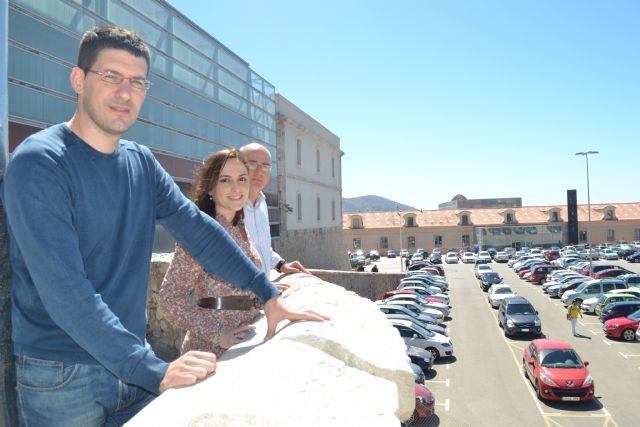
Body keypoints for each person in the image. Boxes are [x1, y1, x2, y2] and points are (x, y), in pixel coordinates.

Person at [1, 25, 327, 426]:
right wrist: (153, 370)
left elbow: (201, 232)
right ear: (78, 80)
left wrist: (268, 294)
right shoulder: (41, 163)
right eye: (111, 76)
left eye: (137, 82)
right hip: (62, 374)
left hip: (131, 361)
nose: (125, 93)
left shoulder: (140, 162)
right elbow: (65, 289)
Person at [159, 149, 262, 356]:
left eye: (242, 179)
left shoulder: (240, 227)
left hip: (244, 339)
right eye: (225, 180)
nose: (236, 187)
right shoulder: (199, 234)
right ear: (210, 188)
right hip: (209, 350)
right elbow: (170, 299)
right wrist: (217, 334)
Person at [240, 143, 309, 275]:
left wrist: (281, 264)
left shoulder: (262, 204)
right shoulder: (229, 208)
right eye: (252, 164)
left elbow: (262, 247)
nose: (259, 171)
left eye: (265, 166)